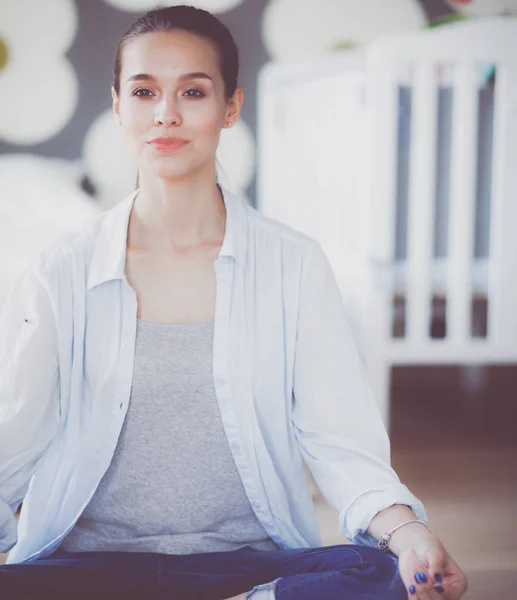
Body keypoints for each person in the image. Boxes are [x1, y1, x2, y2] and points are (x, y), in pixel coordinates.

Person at [0, 5, 468, 600]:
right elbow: (12, 440)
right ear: (118, 105)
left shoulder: (294, 264)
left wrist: (408, 534)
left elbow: (340, 442)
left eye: (192, 91)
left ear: (230, 108)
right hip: (91, 567)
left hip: (248, 567)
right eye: (144, 91)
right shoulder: (59, 270)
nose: (165, 114)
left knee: (375, 574)